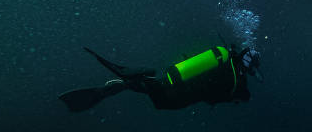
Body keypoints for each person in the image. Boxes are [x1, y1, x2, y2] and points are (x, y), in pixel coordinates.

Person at [59, 45, 262, 112]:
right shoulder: (237, 79)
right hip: (181, 98)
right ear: (250, 65)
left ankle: (129, 81)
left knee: (154, 87)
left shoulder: (225, 62)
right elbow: (239, 95)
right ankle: (128, 82)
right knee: (155, 90)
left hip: (177, 86)